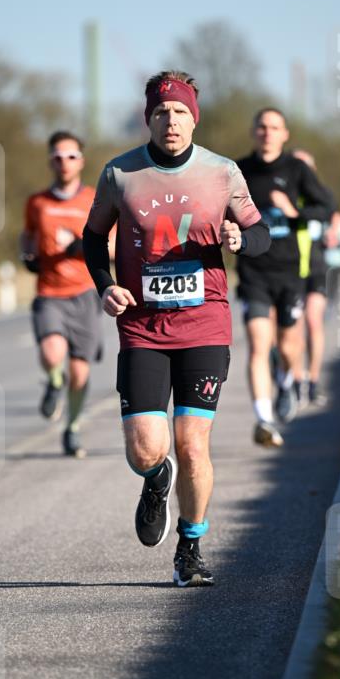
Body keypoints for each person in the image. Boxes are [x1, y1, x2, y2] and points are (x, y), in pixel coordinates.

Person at [83, 70, 270, 587]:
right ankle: (155, 475)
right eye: (162, 112)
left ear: (194, 119)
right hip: (141, 327)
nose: (171, 120)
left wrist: (241, 240)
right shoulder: (120, 174)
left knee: (192, 444)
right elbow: (92, 238)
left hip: (205, 324)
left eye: (181, 112)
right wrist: (105, 286)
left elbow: (261, 232)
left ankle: (190, 548)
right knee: (146, 448)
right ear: (148, 118)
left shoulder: (223, 172)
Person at [236, 110, 336, 442]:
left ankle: (286, 380)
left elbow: (327, 207)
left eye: (274, 127)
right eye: (262, 126)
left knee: (290, 346)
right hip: (253, 271)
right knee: (258, 345)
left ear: (285, 134)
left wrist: (294, 212)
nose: (267, 132)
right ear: (253, 131)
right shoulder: (238, 170)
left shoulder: (296, 169)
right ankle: (264, 419)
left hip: (290, 271)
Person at [20, 130, 106, 458]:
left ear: (81, 161)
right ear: (50, 162)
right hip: (49, 291)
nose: (64, 163)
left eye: (71, 156)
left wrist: (85, 247)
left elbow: (114, 246)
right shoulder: (37, 202)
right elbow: (27, 235)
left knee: (80, 373)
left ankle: (72, 428)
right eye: (58, 157)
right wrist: (26, 255)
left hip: (85, 293)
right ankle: (54, 381)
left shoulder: (94, 200)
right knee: (51, 353)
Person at [288, 149, 340, 410]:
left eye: (306, 165)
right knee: (295, 326)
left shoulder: (321, 193)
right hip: (291, 266)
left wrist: (334, 231)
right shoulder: (287, 194)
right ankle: (297, 379)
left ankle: (312, 380)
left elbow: (335, 213)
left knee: (313, 320)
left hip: (317, 265)